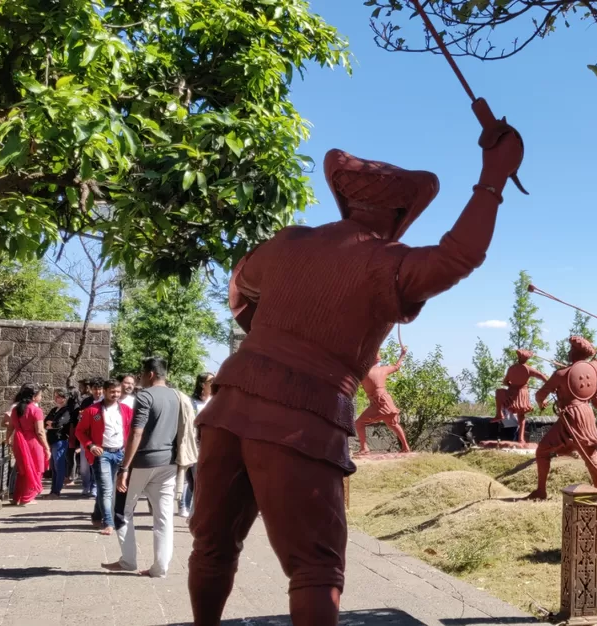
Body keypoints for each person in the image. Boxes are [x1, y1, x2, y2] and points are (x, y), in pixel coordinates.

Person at [190, 120, 524, 625]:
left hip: (227, 404)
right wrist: (494, 175)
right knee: (315, 568)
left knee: (213, 545)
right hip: (301, 418)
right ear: (400, 215)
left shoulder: (287, 241)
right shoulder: (385, 263)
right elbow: (460, 256)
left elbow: (242, 287)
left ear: (345, 202)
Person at [105, 356, 182, 578]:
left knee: (121, 510)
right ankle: (160, 568)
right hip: (168, 462)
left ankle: (128, 560)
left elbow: (136, 433)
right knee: (164, 516)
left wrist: (125, 468)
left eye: (141, 373)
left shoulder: (145, 395)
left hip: (142, 462)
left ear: (150, 374)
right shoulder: (177, 396)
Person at [527, 321, 597, 500]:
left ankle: (541, 491)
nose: (568, 352)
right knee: (590, 454)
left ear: (575, 352)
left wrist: (541, 403)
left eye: (571, 349)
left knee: (543, 450)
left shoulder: (561, 374)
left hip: (571, 415)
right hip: (586, 413)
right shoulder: (595, 367)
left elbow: (539, 395)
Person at [76, 379, 131, 535]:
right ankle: (109, 522)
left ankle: (96, 514)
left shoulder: (126, 410)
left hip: (120, 452)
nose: (116, 395)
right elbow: (80, 431)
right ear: (105, 392)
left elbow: (131, 431)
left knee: (106, 488)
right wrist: (91, 445)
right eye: (112, 392)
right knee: (106, 489)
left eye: (118, 392)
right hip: (102, 454)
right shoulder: (92, 411)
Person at [354, 347, 410, 456]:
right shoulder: (383, 369)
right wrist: (402, 354)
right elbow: (397, 366)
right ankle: (405, 447)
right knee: (393, 423)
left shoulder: (363, 372)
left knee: (359, 423)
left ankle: (364, 448)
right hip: (386, 400)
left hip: (378, 401)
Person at [4, 383, 48, 506]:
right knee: (35, 468)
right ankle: (27, 497)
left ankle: (17, 496)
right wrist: (46, 447)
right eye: (40, 395)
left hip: (18, 440)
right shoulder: (36, 410)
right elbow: (39, 431)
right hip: (32, 441)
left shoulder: (15, 409)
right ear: (33, 397)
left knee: (22, 469)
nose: (41, 397)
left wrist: (7, 440)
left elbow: (10, 428)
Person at [492, 350, 547, 444]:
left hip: (512, 392)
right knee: (521, 416)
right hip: (522, 393)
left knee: (499, 392)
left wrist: (512, 386)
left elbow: (505, 382)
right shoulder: (528, 369)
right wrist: (548, 386)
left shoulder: (512, 368)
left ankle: (499, 413)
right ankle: (521, 438)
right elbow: (542, 376)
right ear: (527, 359)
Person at [180, 372, 215, 518]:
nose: (214, 383)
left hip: (211, 445)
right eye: (211, 381)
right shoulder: (191, 402)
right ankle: (190, 510)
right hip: (195, 445)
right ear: (202, 384)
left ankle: (196, 512)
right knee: (194, 480)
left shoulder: (216, 401)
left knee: (206, 481)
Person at [42, 388, 78, 499]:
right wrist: (51, 424)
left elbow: (59, 423)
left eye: (58, 396)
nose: (56, 398)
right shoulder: (54, 410)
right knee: (53, 466)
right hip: (52, 439)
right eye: (55, 396)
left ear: (64, 398)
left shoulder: (66, 411)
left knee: (59, 466)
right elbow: (44, 423)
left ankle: (56, 491)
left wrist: (52, 424)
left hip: (60, 440)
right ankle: (53, 490)